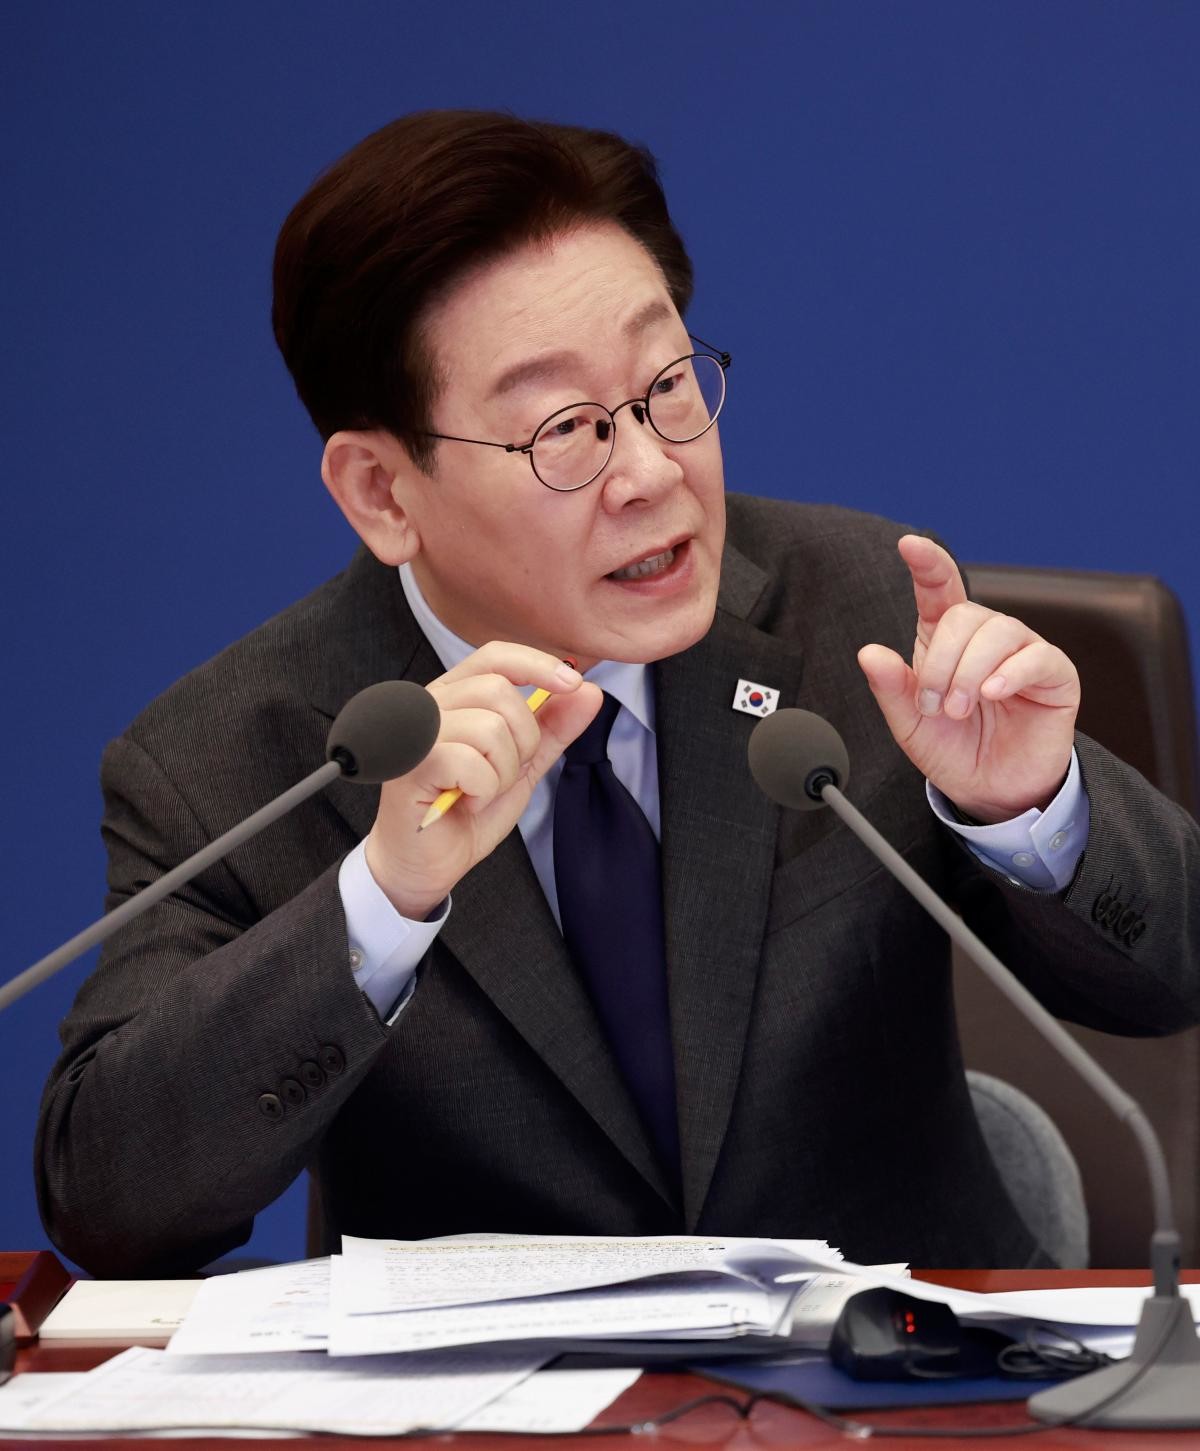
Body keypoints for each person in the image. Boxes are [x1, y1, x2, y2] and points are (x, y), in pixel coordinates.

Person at [37, 111, 1200, 1278]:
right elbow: (113, 1207)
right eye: (565, 431)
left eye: (668, 386)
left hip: (892, 1364)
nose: (651, 472)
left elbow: (1178, 976)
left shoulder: (859, 613)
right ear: (383, 491)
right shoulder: (233, 757)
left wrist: (1033, 805)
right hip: (490, 1382)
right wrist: (381, 900)